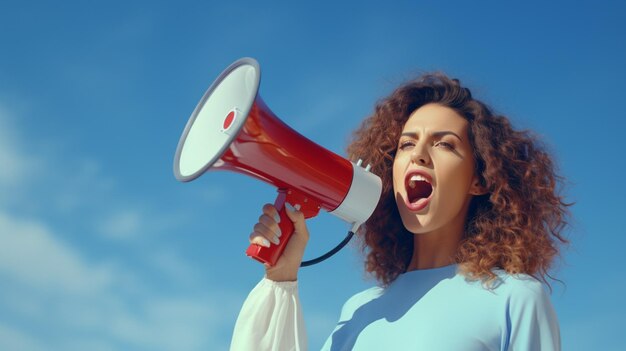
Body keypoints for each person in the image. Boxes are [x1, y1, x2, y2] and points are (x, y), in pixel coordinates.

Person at [230, 73, 569, 350]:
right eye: (407, 144)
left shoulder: (515, 299)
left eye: (445, 144)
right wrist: (282, 278)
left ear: (479, 180)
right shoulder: (359, 310)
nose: (418, 154)